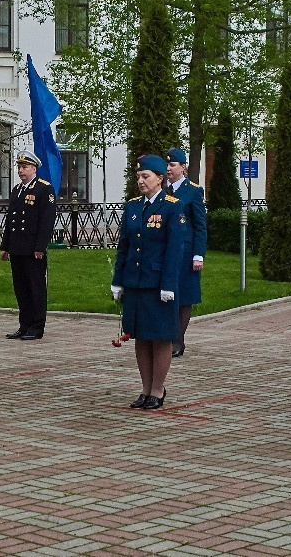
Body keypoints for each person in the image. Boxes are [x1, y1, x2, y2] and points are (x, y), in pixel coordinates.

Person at [111, 154, 185, 409]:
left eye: (146, 176)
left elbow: (175, 250)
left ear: (160, 178)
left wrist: (168, 285)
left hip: (158, 284)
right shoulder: (132, 207)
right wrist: (118, 280)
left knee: (160, 337)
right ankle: (144, 389)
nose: (141, 181)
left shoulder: (172, 206)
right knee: (141, 337)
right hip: (135, 282)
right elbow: (125, 247)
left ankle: (157, 390)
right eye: (138, 177)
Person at [1, 151, 56, 341]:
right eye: (19, 167)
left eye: (25, 167)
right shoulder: (17, 190)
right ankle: (24, 325)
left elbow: (46, 221)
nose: (21, 171)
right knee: (21, 288)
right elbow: (11, 220)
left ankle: (36, 326)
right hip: (17, 247)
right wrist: (5, 246)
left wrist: (40, 246)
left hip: (33, 249)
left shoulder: (43, 189)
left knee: (36, 288)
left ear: (34, 168)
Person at [164, 148, 205, 358]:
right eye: (167, 165)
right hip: (165, 251)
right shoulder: (161, 190)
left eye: (173, 165)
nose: (168, 169)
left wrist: (198, 255)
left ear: (183, 167)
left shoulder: (193, 191)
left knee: (184, 296)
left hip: (186, 252)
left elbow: (200, 225)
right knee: (167, 294)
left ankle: (178, 339)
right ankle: (167, 337)